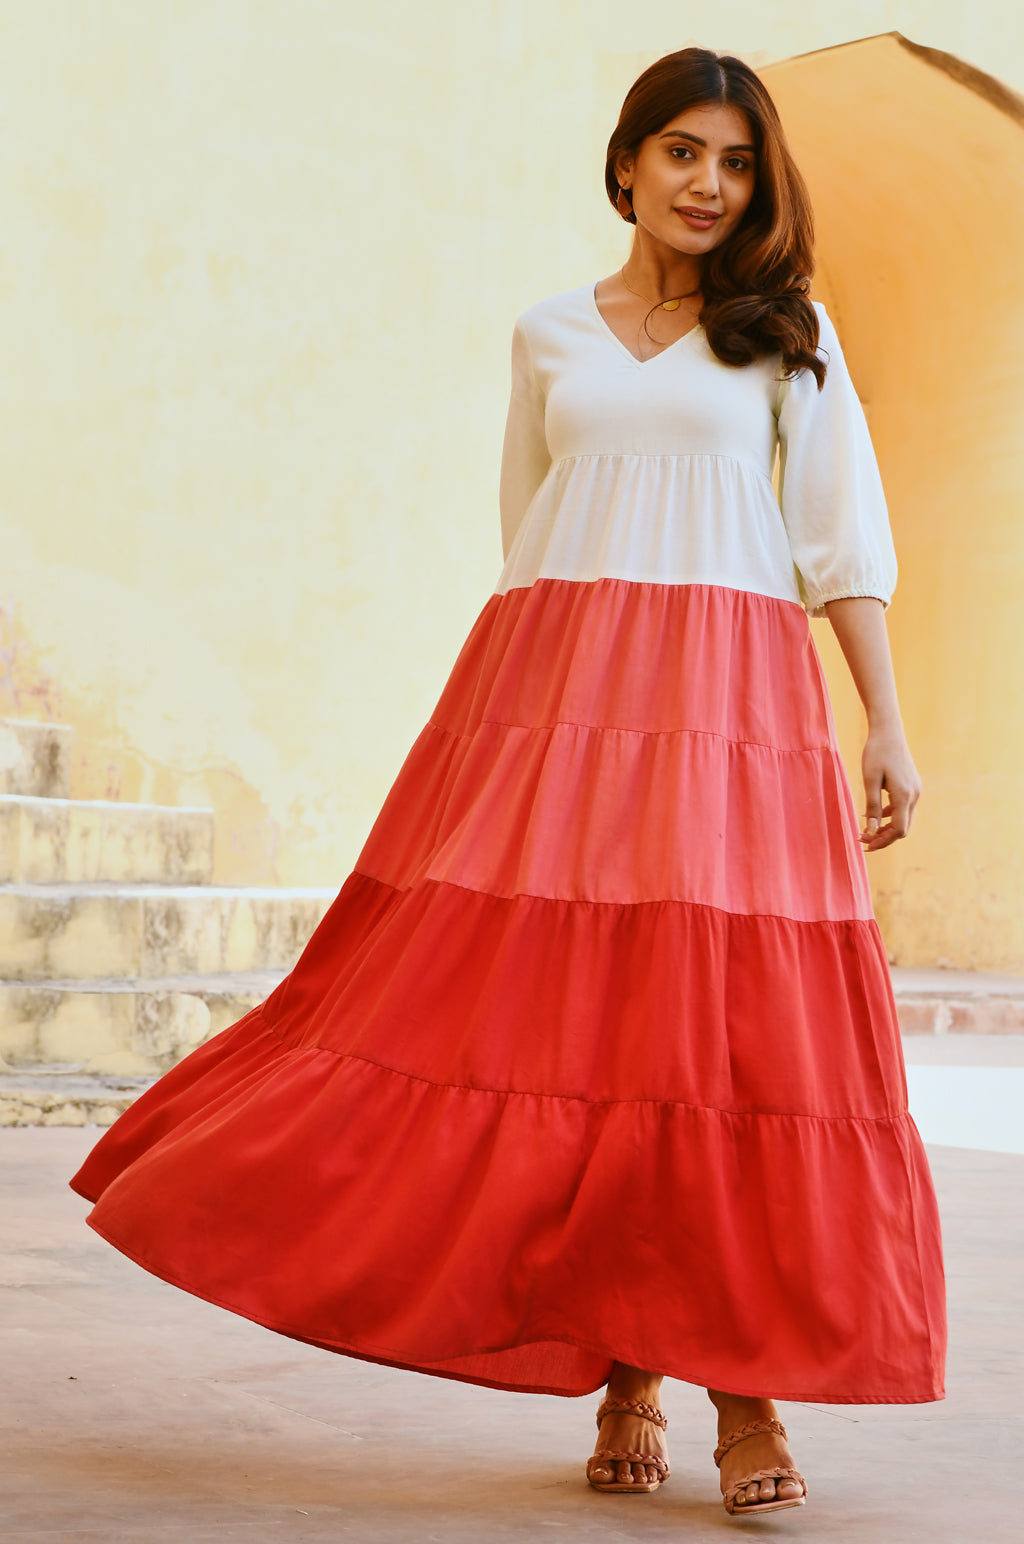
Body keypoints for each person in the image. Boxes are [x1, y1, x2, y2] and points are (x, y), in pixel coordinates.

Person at [71, 46, 946, 1519]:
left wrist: (887, 725)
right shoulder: (549, 334)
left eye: (735, 164)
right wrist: (525, 727)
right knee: (579, 1031)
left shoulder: (789, 337)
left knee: (725, 1045)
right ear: (626, 163)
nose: (707, 184)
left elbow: (838, 539)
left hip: (732, 712)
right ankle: (627, 1378)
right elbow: (528, 534)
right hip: (563, 710)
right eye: (681, 152)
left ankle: (744, 1395)